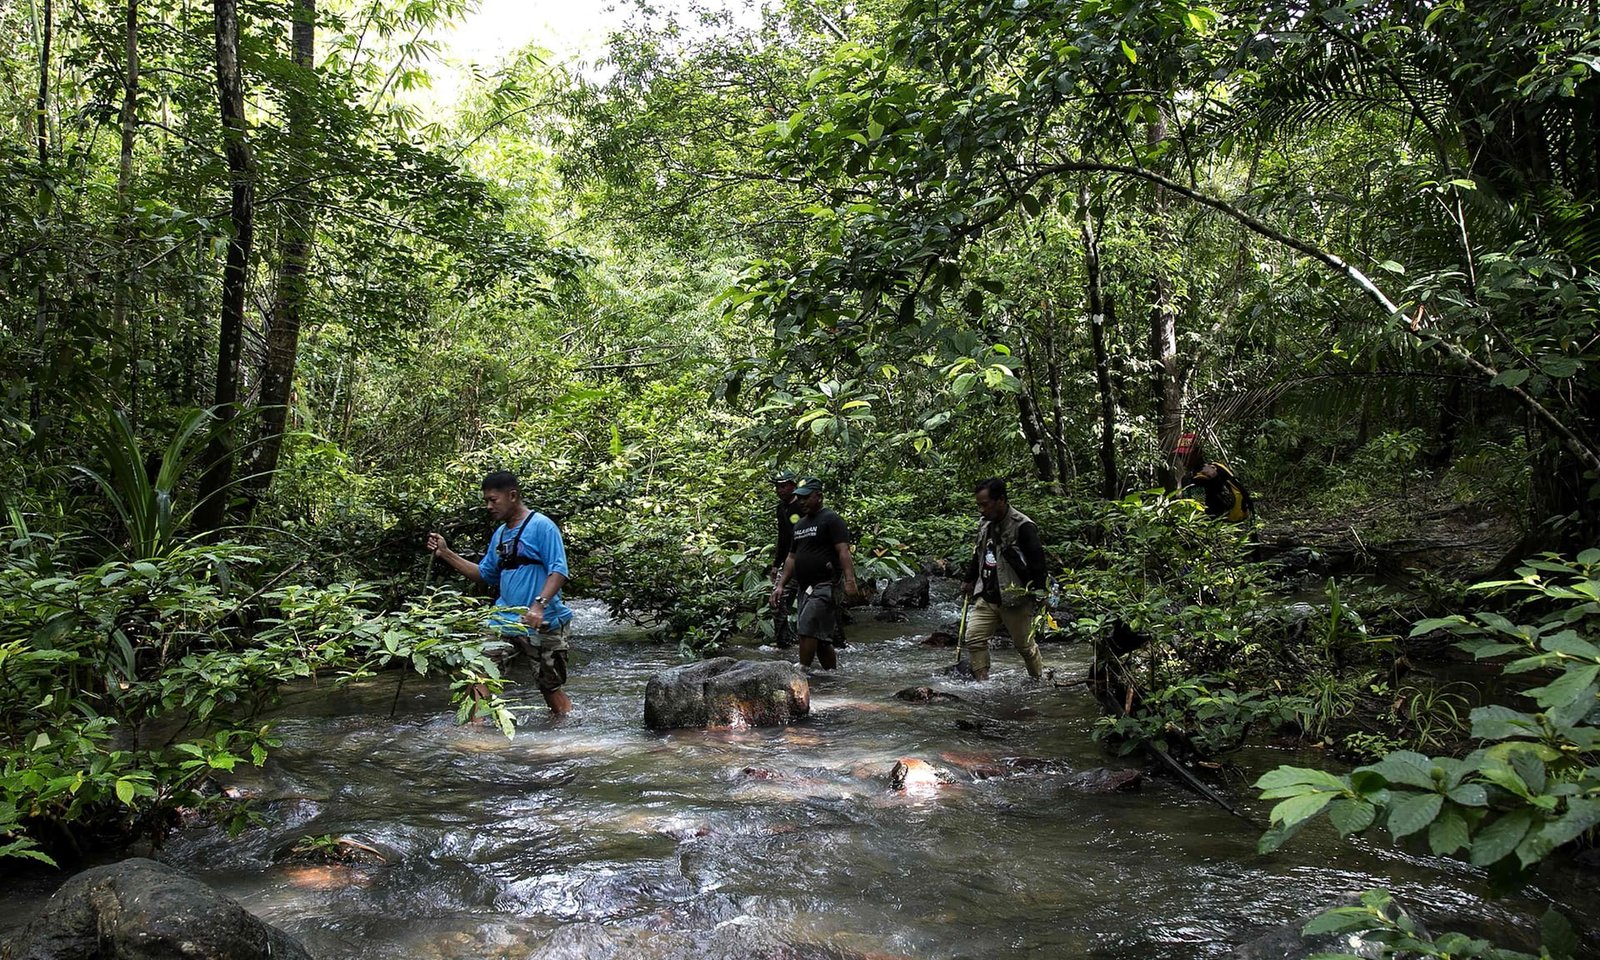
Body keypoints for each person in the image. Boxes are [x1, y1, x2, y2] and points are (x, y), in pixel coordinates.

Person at [425, 470, 574, 716]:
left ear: (512, 496)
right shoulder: (501, 534)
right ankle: (475, 733)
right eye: (486, 501)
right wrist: (446, 553)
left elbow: (559, 570)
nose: (488, 506)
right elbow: (484, 574)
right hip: (503, 620)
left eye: (493, 500)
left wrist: (538, 605)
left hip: (543, 621)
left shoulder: (542, 526)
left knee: (550, 687)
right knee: (479, 674)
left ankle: (566, 729)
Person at [959, 478, 1048, 682]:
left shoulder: (1023, 526)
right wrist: (969, 579)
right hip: (987, 594)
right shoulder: (984, 524)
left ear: (1000, 500)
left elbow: (1038, 565)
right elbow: (978, 554)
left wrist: (1041, 595)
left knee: (1025, 647)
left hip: (1014, 597)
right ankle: (982, 684)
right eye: (979, 505)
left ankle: (1038, 680)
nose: (981, 510)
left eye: (985, 504)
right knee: (974, 639)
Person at [768, 478, 860, 670]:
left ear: (818, 496)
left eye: (806, 497)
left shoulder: (831, 519)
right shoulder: (800, 524)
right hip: (805, 587)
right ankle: (832, 675)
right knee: (822, 639)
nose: (802, 502)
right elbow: (791, 557)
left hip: (825, 584)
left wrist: (850, 580)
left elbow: (843, 551)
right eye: (800, 498)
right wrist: (780, 585)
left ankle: (802, 670)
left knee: (807, 626)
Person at [769, 470, 800, 649]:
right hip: (789, 562)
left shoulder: (802, 506)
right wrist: (776, 564)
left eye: (783, 486)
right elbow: (782, 537)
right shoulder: (781, 508)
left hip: (806, 561)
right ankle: (783, 641)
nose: (780, 490)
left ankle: (834, 642)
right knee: (777, 600)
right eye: (777, 487)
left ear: (793, 486)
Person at [1181, 447, 1254, 522]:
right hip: (1230, 515)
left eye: (1185, 455)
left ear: (1197, 454)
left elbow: (1195, 508)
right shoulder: (1215, 466)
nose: (1183, 459)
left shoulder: (1200, 475)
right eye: (1180, 455)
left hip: (1219, 519)